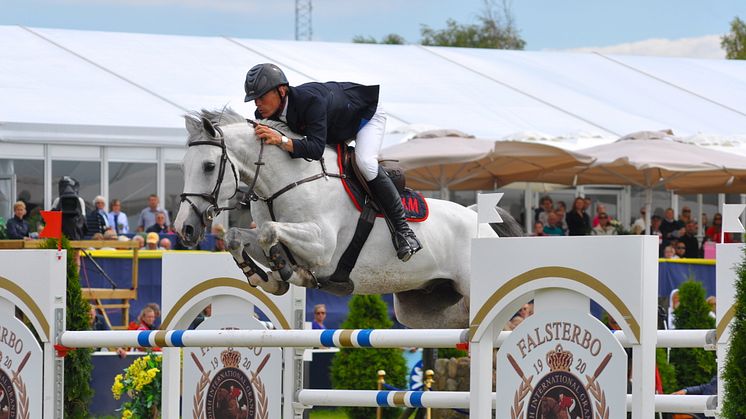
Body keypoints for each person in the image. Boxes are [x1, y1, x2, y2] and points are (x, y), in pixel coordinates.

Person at [244, 63, 421, 262]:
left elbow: (315, 149)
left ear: (282, 91)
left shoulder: (310, 101)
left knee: (365, 163)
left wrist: (281, 140)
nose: (257, 104)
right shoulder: (264, 114)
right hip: (332, 127)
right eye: (254, 99)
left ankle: (404, 232)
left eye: (261, 97)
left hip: (364, 116)